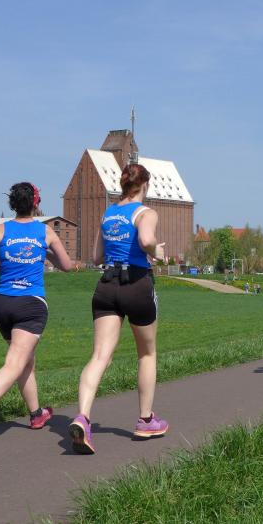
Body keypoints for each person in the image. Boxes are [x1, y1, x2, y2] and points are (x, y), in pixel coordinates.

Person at [68, 163, 168, 454]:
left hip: (107, 285)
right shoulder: (146, 213)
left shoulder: (108, 214)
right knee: (146, 353)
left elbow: (96, 256)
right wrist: (157, 251)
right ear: (144, 186)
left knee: (100, 356)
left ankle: (83, 417)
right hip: (135, 283)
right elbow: (146, 240)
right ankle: (146, 420)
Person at [0, 182, 75, 439]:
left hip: (2, 302)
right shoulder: (45, 231)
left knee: (25, 360)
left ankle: (37, 414)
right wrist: (46, 254)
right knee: (16, 361)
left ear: (13, 204)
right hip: (30, 304)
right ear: (36, 204)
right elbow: (67, 265)